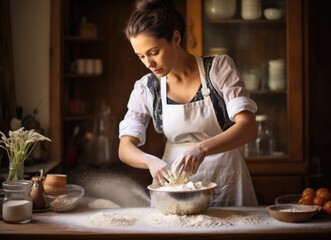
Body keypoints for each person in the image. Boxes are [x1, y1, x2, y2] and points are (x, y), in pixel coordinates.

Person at [118, 0, 258, 206]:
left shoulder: (218, 69)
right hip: (176, 187)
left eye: (154, 52)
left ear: (175, 38)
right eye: (141, 56)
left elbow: (248, 127)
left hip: (227, 179)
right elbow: (125, 147)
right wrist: (150, 161)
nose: (149, 64)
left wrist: (202, 149)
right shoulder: (146, 88)